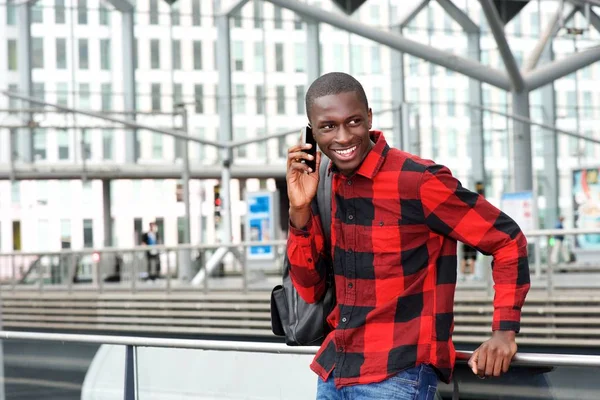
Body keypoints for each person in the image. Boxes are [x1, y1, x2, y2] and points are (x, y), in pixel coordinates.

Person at [285, 72, 530, 399]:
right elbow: (310, 288)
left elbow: (507, 239)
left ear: (369, 118)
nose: (343, 137)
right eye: (328, 126)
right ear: (311, 131)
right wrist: (299, 210)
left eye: (354, 121)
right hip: (334, 372)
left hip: (399, 376)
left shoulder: (417, 181)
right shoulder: (322, 182)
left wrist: (504, 333)